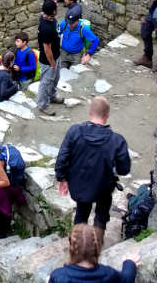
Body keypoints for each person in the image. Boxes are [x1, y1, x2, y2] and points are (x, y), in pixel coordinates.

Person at [55, 97, 131, 238]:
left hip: (79, 185)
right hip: (103, 187)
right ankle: (96, 246)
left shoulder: (74, 131)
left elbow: (62, 158)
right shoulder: (117, 140)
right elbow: (124, 169)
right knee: (101, 215)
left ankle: (76, 246)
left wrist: (62, 178)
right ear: (107, 115)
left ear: (90, 112)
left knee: (81, 212)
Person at [49, 224, 138, 283]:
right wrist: (130, 263)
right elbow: (126, 280)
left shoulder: (59, 276)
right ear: (97, 248)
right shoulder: (108, 274)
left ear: (71, 249)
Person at [37, 0, 63, 116]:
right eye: (55, 8)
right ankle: (43, 105)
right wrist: (52, 63)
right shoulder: (46, 28)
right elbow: (47, 49)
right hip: (48, 61)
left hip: (56, 55)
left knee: (55, 78)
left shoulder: (48, 18)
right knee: (45, 83)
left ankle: (52, 96)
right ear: (53, 12)